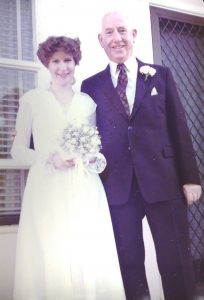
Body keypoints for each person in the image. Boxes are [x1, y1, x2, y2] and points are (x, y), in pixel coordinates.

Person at [81, 10, 202, 300]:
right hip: (118, 188)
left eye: (122, 30)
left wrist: (190, 178)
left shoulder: (161, 75)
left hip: (164, 183)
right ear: (101, 40)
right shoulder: (90, 86)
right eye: (109, 32)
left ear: (133, 35)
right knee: (129, 264)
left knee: (175, 262)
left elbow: (179, 127)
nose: (117, 38)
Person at [11, 36, 126, 300]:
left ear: (75, 62)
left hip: (83, 185)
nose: (63, 67)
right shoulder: (33, 100)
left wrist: (90, 158)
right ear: (46, 64)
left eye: (68, 60)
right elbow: (17, 150)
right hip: (48, 187)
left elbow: (95, 146)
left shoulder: (86, 102)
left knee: (85, 248)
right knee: (53, 251)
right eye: (56, 61)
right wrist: (49, 158)